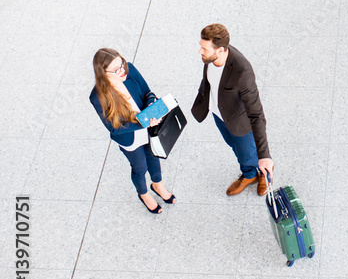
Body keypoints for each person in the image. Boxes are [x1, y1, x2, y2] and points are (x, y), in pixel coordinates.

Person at [191, 23, 274, 196]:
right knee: (234, 146)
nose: (200, 52)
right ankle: (251, 175)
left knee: (247, 151)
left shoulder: (242, 72)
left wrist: (265, 155)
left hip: (239, 122)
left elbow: (257, 114)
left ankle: (262, 175)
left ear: (220, 50)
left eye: (204, 49)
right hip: (219, 114)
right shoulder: (212, 57)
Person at [90, 48, 176, 213]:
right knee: (140, 167)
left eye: (121, 64)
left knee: (153, 157)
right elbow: (114, 128)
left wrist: (151, 104)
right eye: (116, 70)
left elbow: (147, 92)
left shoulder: (129, 69)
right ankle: (143, 194)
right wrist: (143, 122)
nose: (123, 71)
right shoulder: (97, 97)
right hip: (130, 138)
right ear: (103, 74)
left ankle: (158, 185)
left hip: (149, 129)